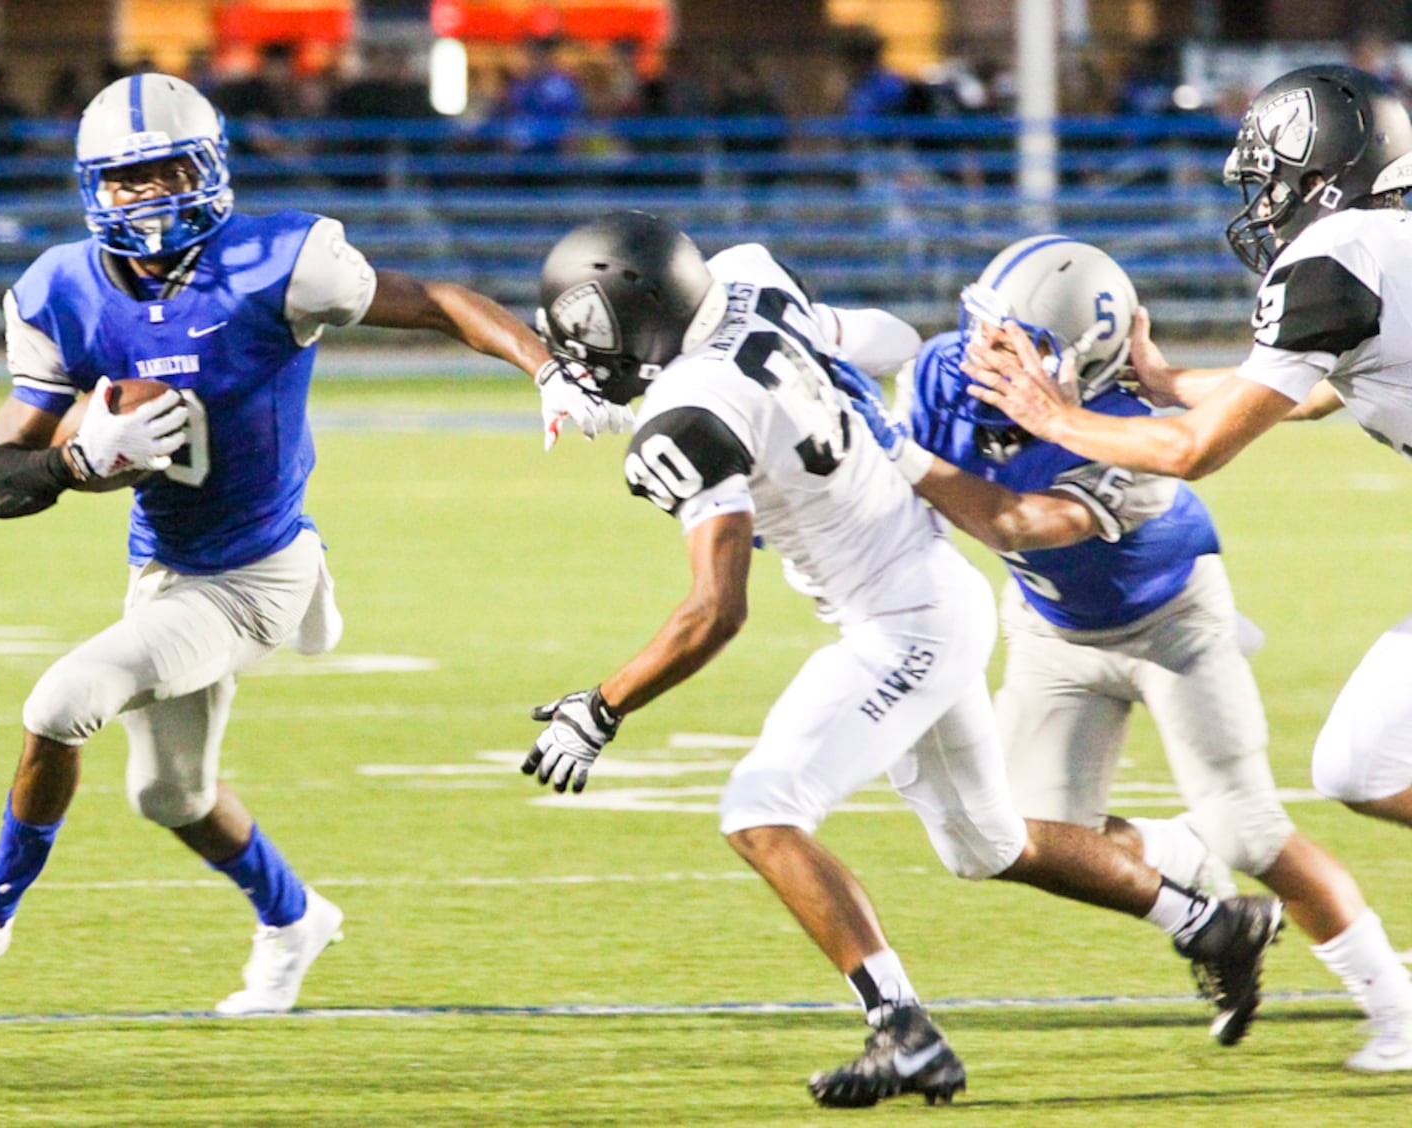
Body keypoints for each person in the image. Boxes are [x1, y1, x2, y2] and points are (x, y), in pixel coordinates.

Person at [0, 72, 625, 1015]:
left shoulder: (279, 260)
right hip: (167, 570)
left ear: (210, 166)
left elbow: (431, 298)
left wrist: (546, 368)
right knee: (171, 797)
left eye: (168, 170)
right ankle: (294, 917)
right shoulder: (60, 289)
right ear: (93, 187)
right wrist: (76, 462)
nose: (149, 196)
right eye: (128, 178)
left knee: (62, 701)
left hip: (257, 573)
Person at [523, 209, 1284, 1108]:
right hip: (930, 588)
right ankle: (1208, 922)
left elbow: (714, 611)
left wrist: (602, 706)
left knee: (761, 811)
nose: (582, 353)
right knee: (985, 844)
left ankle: (904, 1032)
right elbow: (881, 338)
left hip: (902, 621)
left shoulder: (688, 420)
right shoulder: (748, 278)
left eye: (594, 333)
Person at [839, 233, 1412, 1073]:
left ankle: (1392, 1006)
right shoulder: (937, 373)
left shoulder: (1125, 437)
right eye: (983, 327)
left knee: (1250, 832)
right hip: (1048, 627)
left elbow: (1016, 523)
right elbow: (911, 511)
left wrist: (896, 450)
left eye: (1016, 341)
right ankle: (1195, 872)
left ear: (1075, 359)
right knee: (1012, 836)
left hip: (1170, 629)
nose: (984, 353)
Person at [961, 64, 1412, 1073]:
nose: (1257, 198)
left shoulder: (1339, 255)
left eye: (1269, 173)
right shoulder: (1383, 252)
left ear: (1323, 171)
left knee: (1362, 763)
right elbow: (1294, 394)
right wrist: (1163, 380)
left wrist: (1049, 414)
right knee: (1358, 764)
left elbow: (1193, 452)